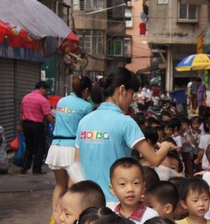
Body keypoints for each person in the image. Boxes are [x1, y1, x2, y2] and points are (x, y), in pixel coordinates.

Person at [74, 67, 175, 209]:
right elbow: (155, 159)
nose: (132, 99)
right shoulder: (125, 122)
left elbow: (75, 164)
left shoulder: (85, 121)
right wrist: (165, 146)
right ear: (122, 90)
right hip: (114, 200)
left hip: (84, 202)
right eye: (132, 93)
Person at [45, 76, 93, 224]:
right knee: (74, 187)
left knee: (59, 184)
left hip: (56, 146)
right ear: (86, 90)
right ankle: (73, 220)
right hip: (73, 148)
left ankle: (55, 218)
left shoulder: (61, 102)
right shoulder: (86, 106)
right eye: (89, 93)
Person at [109, 157, 158, 224]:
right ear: (112, 189)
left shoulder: (151, 217)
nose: (130, 189)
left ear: (143, 187)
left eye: (136, 183)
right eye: (123, 184)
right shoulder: (110, 216)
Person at [19, 80, 55, 175]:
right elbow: (48, 116)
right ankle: (36, 169)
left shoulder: (25, 98)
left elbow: (21, 113)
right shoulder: (43, 100)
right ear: (41, 88)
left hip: (26, 125)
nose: (45, 93)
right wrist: (56, 125)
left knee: (29, 146)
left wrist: (19, 125)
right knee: (40, 147)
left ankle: (25, 167)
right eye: (45, 90)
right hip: (37, 125)